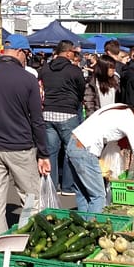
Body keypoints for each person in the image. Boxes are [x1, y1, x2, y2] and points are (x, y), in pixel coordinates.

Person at [0, 34, 50, 237]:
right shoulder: (28, 79)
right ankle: (28, 240)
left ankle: (0, 245)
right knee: (30, 197)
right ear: (21, 52)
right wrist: (43, 153)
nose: (27, 59)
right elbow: (37, 120)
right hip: (21, 147)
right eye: (27, 55)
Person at [68, 100, 134, 207]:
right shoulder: (131, 122)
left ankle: (85, 222)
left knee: (84, 195)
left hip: (73, 143)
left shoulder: (122, 107)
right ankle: (95, 222)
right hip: (86, 150)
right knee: (98, 196)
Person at [38, 40, 86, 194]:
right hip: (68, 113)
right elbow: (81, 89)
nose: (75, 55)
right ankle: (68, 186)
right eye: (73, 52)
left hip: (48, 112)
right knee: (69, 150)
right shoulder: (74, 70)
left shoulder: (44, 69)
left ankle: (51, 185)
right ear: (67, 52)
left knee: (51, 151)